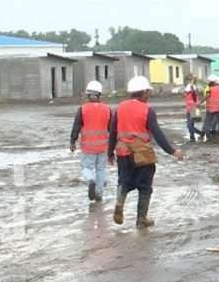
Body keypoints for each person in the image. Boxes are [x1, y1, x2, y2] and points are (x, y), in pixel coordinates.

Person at [108, 76, 184, 228]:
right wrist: (172, 151)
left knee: (123, 181)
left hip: (123, 152)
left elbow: (112, 131)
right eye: (147, 92)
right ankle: (141, 219)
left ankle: (119, 202)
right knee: (144, 187)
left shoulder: (120, 107)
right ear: (143, 92)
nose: (149, 94)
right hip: (142, 154)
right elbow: (157, 134)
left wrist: (109, 152)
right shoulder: (147, 110)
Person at [70, 80, 112, 202]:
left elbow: (76, 127)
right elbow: (112, 128)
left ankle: (90, 180)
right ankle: (98, 193)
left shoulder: (82, 109)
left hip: (88, 147)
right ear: (99, 95)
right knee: (101, 170)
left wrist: (72, 142)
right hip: (103, 146)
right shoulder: (107, 109)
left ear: (88, 95)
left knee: (86, 168)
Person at [183, 74, 204, 142]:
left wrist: (193, 79)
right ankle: (192, 137)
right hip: (189, 110)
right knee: (190, 124)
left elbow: (192, 87)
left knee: (189, 125)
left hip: (193, 110)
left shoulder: (193, 93)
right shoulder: (188, 94)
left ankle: (201, 133)